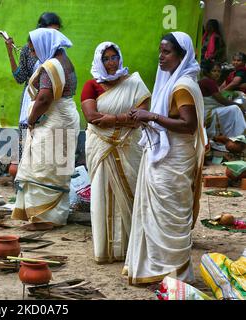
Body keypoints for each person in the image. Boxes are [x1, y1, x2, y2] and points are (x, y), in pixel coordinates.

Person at [125, 32, 206, 286]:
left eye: (167, 52)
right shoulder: (175, 82)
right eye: (160, 51)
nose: (161, 57)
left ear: (181, 56)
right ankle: (158, 270)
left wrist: (151, 117)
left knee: (168, 213)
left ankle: (172, 273)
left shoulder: (182, 86)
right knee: (157, 213)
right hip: (167, 156)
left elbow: (188, 125)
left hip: (175, 159)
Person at [81, 42, 151, 263]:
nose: (111, 63)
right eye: (106, 59)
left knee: (133, 190)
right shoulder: (91, 85)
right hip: (100, 146)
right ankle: (106, 250)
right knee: (102, 193)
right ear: (99, 61)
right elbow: (92, 117)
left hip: (130, 146)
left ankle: (133, 248)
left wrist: (112, 118)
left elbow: (143, 113)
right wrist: (124, 118)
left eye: (114, 57)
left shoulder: (134, 84)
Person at [11, 28, 80, 231]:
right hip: (65, 116)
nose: (33, 54)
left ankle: (43, 218)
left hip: (54, 120)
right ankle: (54, 215)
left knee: (43, 167)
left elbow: (44, 98)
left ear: (43, 45)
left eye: (33, 50)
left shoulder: (51, 66)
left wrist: (31, 119)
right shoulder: (64, 61)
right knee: (57, 167)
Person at [4, 12, 62, 161]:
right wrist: (10, 53)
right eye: (50, 31)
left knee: (46, 142)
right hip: (30, 100)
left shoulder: (59, 52)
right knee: (27, 140)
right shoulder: (28, 50)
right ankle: (24, 175)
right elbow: (20, 77)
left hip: (51, 101)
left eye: (57, 32)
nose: (53, 36)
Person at [198, 61, 246, 139]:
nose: (217, 73)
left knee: (233, 109)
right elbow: (221, 100)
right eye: (214, 71)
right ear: (208, 72)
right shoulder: (208, 82)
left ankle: (234, 136)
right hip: (207, 113)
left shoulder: (208, 81)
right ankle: (238, 138)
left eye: (219, 71)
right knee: (235, 109)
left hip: (207, 111)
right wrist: (238, 105)